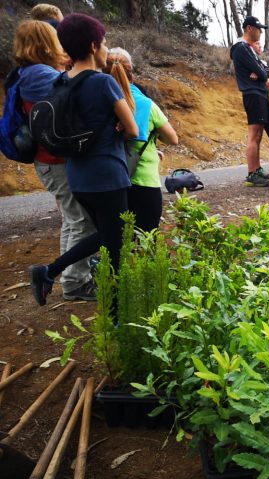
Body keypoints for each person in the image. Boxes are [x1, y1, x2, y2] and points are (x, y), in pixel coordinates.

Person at [28, 13, 139, 307]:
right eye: (103, 43)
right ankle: (116, 315)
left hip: (77, 176)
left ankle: (49, 271)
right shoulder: (103, 83)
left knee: (107, 234)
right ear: (92, 46)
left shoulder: (61, 81)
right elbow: (133, 129)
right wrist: (117, 127)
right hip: (107, 176)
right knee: (115, 246)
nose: (105, 50)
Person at [14, 20, 96, 302]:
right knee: (82, 221)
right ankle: (75, 283)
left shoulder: (31, 72)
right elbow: (71, 89)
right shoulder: (38, 75)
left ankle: (69, 276)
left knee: (74, 220)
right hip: (53, 160)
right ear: (45, 43)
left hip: (52, 159)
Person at [104, 47, 179, 232]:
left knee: (116, 236)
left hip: (108, 179)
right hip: (142, 178)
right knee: (147, 235)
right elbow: (172, 139)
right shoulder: (145, 104)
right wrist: (153, 137)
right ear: (131, 73)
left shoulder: (98, 99)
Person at [230, 16, 269, 188]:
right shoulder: (241, 48)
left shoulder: (249, 50)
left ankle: (257, 168)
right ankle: (252, 173)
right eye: (258, 28)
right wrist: (261, 72)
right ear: (249, 28)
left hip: (259, 93)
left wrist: (261, 72)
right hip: (253, 93)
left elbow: (263, 71)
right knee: (254, 133)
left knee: (259, 134)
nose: (260, 32)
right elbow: (262, 73)